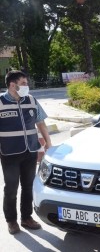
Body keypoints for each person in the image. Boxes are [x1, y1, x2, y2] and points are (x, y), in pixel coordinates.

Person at [0, 70, 52, 234]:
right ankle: (11, 220)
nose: (26, 86)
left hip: (30, 151)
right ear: (12, 85)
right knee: (11, 188)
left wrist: (48, 143)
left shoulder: (31, 100)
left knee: (28, 186)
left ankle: (26, 218)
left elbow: (41, 123)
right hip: (9, 153)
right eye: (23, 83)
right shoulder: (0, 103)